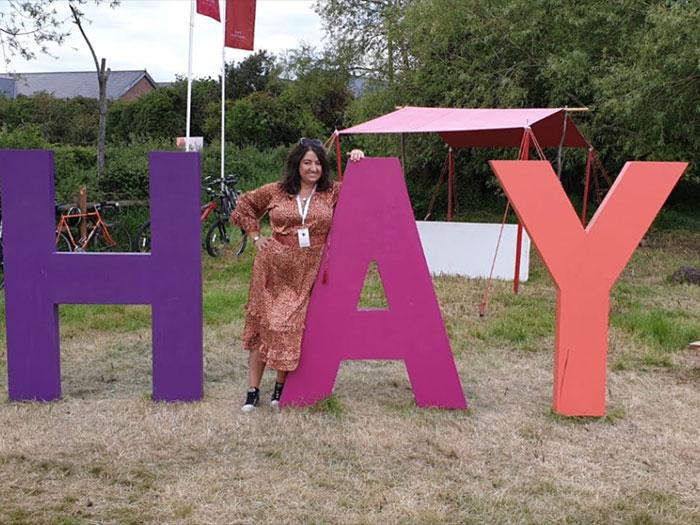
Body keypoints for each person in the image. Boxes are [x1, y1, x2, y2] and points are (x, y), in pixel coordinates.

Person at [230, 138, 364, 411]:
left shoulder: (331, 193)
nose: (313, 168)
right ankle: (253, 390)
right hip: (272, 268)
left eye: (317, 163)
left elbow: (362, 190)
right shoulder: (277, 192)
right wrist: (256, 237)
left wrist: (358, 159)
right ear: (297, 165)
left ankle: (281, 387)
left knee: (290, 327)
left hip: (307, 271)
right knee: (263, 326)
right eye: (307, 162)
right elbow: (244, 204)